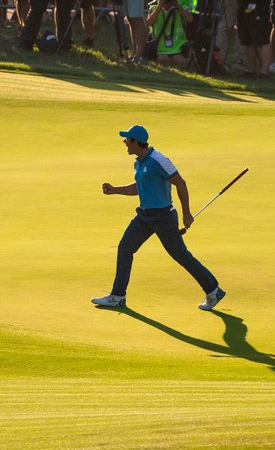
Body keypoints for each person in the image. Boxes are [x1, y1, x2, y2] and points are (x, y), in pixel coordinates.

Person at [91, 125, 226, 311]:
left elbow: (180, 183)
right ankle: (117, 296)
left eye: (127, 139)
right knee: (125, 248)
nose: (124, 142)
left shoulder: (158, 160)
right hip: (144, 217)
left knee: (180, 255)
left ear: (136, 142)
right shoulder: (139, 162)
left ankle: (213, 290)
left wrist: (186, 213)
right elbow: (139, 187)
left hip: (163, 217)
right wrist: (115, 190)